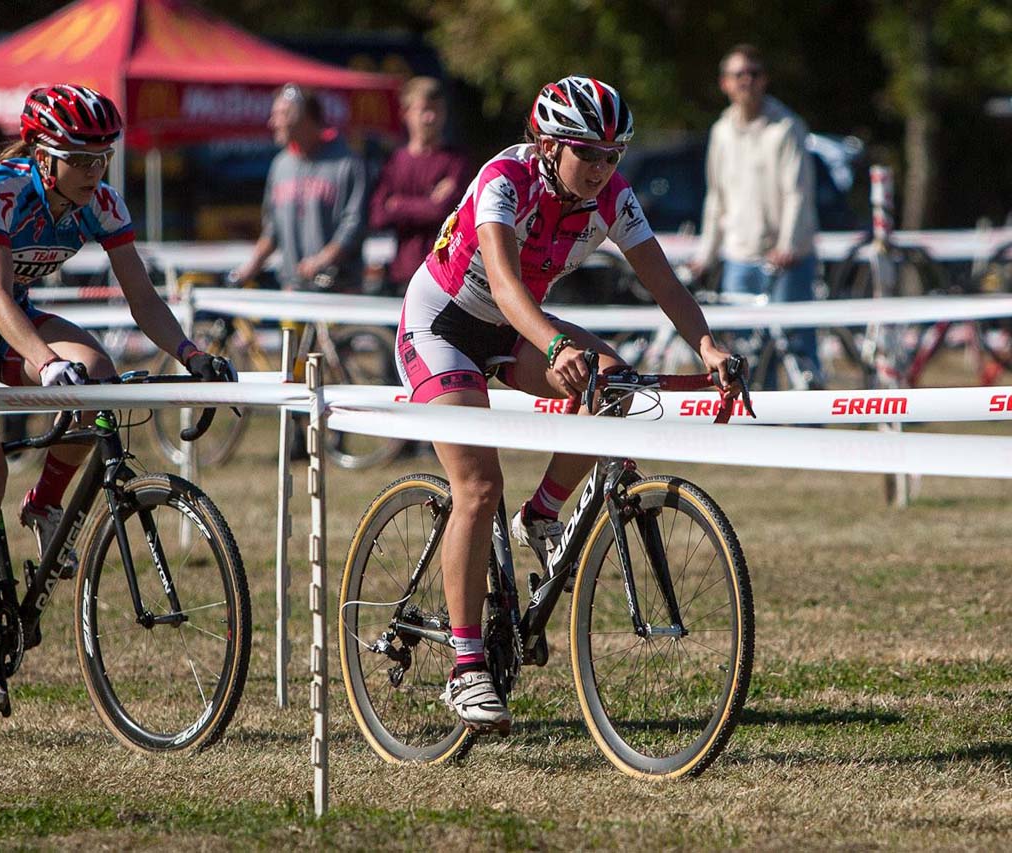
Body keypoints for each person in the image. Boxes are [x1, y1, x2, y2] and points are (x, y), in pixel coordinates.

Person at [395, 76, 738, 733]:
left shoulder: (610, 195)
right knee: (477, 485)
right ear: (548, 145)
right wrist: (553, 342)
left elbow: (660, 275)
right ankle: (466, 667)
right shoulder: (504, 180)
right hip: (442, 324)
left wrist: (708, 345)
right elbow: (499, 279)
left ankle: (544, 512)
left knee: (613, 382)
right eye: (591, 153)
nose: (604, 168)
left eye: (615, 155)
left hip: (513, 325)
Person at [0, 84, 232, 713]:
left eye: (103, 157)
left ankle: (46, 503)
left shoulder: (100, 201)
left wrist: (190, 352)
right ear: (43, 156)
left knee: (97, 373)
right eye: (80, 159)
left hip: (6, 322)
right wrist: (45, 362)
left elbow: (142, 296)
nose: (94, 171)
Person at [691, 43, 821, 387]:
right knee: (746, 357)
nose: (746, 80)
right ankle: (761, 431)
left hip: (786, 262)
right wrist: (705, 256)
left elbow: (798, 193)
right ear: (725, 83)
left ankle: (813, 431)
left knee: (796, 349)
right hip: (739, 260)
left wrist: (788, 245)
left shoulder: (787, 127)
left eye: (753, 73)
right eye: (738, 74)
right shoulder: (720, 131)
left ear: (764, 80)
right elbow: (716, 198)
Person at [230, 84, 367, 292]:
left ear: (307, 118)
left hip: (338, 288)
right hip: (293, 289)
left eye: (282, 114)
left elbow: (354, 225)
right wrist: (249, 269)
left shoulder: (347, 163)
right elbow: (272, 229)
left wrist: (321, 261)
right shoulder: (280, 165)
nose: (272, 122)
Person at [369, 77, 469, 295]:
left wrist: (397, 205)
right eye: (424, 110)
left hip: (445, 275)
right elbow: (377, 216)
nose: (430, 118)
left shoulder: (455, 161)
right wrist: (426, 204)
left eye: (437, 110)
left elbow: (444, 212)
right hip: (401, 275)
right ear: (406, 113)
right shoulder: (394, 162)